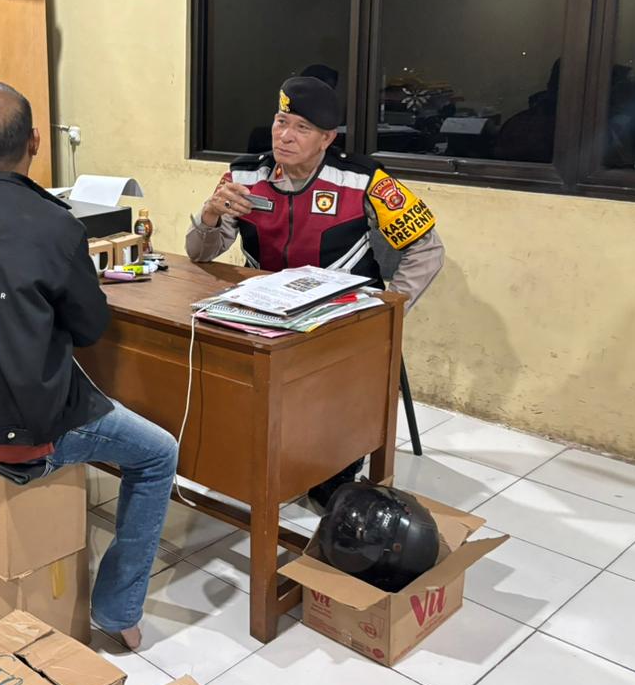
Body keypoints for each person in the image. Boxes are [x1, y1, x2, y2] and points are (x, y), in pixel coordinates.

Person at [0, 82, 178, 651]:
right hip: (20, 433)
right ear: (34, 142)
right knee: (157, 454)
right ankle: (117, 610)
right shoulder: (56, 225)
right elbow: (91, 328)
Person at [186, 75, 445, 504]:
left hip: (338, 320)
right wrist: (211, 214)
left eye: (302, 128)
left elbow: (427, 250)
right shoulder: (245, 173)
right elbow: (199, 253)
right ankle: (243, 451)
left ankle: (332, 463)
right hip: (265, 314)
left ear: (327, 138)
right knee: (205, 354)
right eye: (281, 121)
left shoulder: (365, 179)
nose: (285, 136)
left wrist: (386, 308)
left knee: (330, 419)